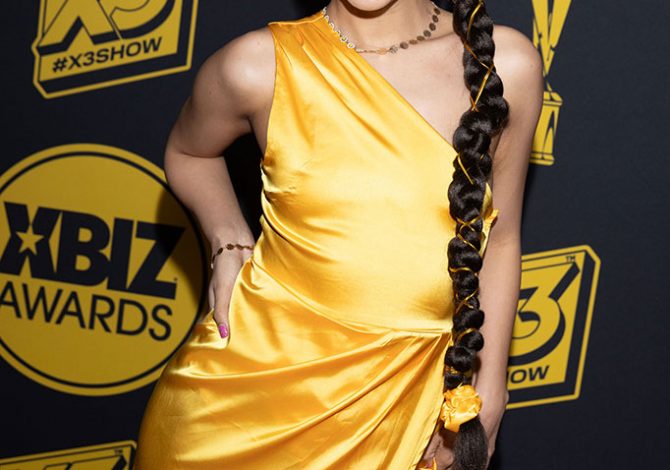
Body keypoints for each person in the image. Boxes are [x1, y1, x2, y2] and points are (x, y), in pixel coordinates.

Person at [134, 0, 543, 468]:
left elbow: (501, 237)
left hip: (406, 406)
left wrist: (490, 388)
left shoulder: (505, 66)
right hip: (233, 411)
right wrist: (227, 238)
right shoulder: (257, 65)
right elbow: (189, 153)